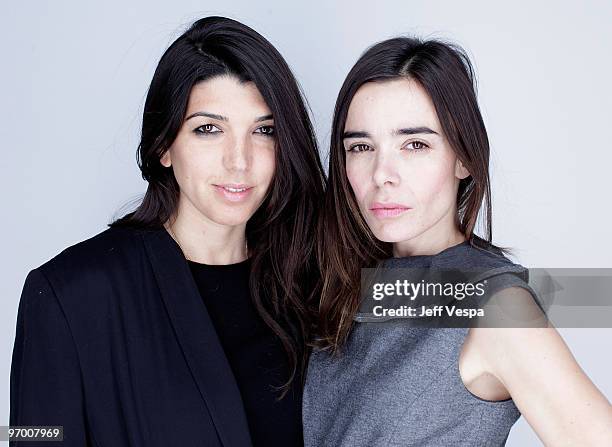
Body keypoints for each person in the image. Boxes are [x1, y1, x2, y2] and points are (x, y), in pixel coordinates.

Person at [10, 16, 325, 447]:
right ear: (163, 145)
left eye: (264, 131)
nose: (239, 161)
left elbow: (440, 301)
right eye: (208, 129)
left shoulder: (318, 274)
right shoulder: (67, 293)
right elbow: (31, 437)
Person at [303, 36, 612, 446]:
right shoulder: (344, 287)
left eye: (415, 144)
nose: (382, 173)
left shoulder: (497, 304)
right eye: (361, 146)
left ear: (463, 158)